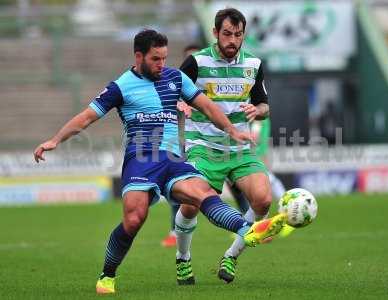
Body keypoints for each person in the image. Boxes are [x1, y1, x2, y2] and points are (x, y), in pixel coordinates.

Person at [33, 29, 287, 294]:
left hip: (173, 158)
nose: (162, 65)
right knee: (134, 218)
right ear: (139, 56)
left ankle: (248, 229)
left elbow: (208, 107)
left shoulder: (175, 78)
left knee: (204, 194)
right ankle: (108, 274)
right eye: (156, 59)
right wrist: (55, 140)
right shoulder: (121, 86)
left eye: (164, 58)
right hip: (141, 158)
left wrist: (232, 130)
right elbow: (87, 117)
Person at [176, 8, 284, 284]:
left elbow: (264, 106)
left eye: (238, 35)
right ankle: (183, 258)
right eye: (227, 34)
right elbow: (171, 91)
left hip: (239, 148)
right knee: (190, 206)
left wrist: (257, 111)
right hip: (204, 146)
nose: (232, 40)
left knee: (262, 199)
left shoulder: (254, 65)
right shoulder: (195, 62)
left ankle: (231, 256)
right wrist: (180, 104)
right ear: (215, 33)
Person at [161, 44, 202, 248]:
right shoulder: (175, 83)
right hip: (183, 143)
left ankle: (248, 224)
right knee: (178, 187)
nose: (192, 61)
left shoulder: (212, 82)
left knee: (237, 185)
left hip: (215, 143)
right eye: (188, 58)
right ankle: (174, 231)